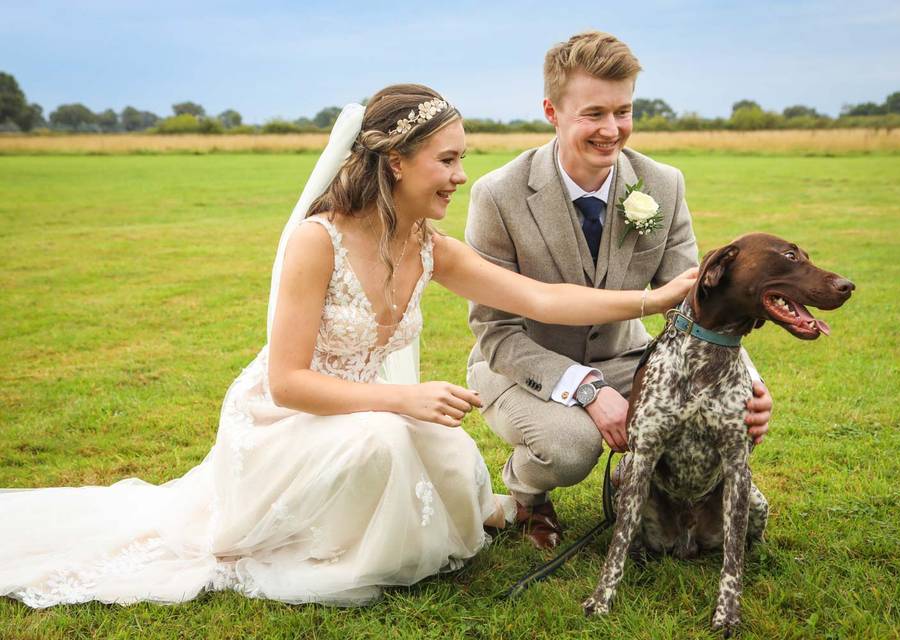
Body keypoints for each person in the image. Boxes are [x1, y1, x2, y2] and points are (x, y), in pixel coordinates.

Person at [0, 84, 697, 608]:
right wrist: (403, 398)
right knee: (385, 441)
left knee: (428, 456)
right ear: (395, 163)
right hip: (289, 421)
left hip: (376, 409)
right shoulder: (318, 241)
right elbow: (286, 383)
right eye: (447, 160)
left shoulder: (428, 246)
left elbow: (540, 298)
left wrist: (654, 299)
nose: (460, 176)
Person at [465, 32, 774, 550]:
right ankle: (527, 497)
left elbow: (698, 303)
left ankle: (633, 476)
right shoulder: (498, 194)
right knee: (570, 446)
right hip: (519, 367)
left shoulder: (663, 184)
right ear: (552, 111)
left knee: (719, 407)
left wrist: (748, 382)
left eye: (623, 111)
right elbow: (494, 331)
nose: (612, 130)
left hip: (628, 358)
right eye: (593, 114)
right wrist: (586, 390)